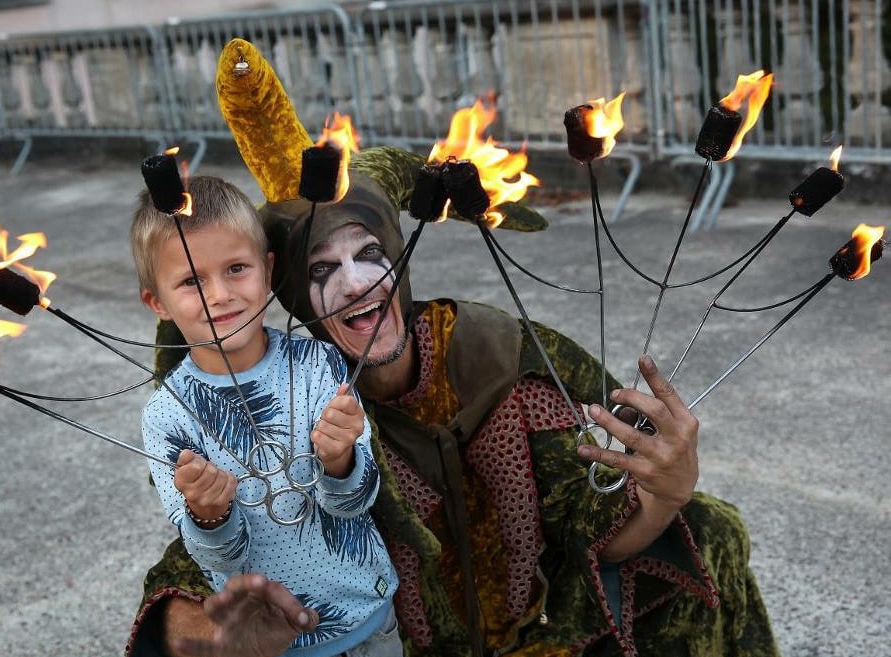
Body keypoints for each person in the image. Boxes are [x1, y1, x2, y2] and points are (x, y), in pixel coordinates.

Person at [125, 38, 779, 657]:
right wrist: (207, 629)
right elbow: (196, 560)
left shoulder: (489, 356)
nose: (355, 284)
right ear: (288, 290)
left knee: (709, 530)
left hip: (535, 637)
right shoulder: (295, 402)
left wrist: (664, 493)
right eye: (321, 270)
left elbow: (589, 523)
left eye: (370, 253)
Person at [130, 174, 401, 657]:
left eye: (236, 268)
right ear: (156, 302)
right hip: (271, 643)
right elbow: (217, 557)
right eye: (192, 281)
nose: (220, 294)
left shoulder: (320, 364)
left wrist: (340, 460)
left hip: (369, 620)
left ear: (268, 270)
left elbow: (356, 502)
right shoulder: (167, 416)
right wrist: (208, 513)